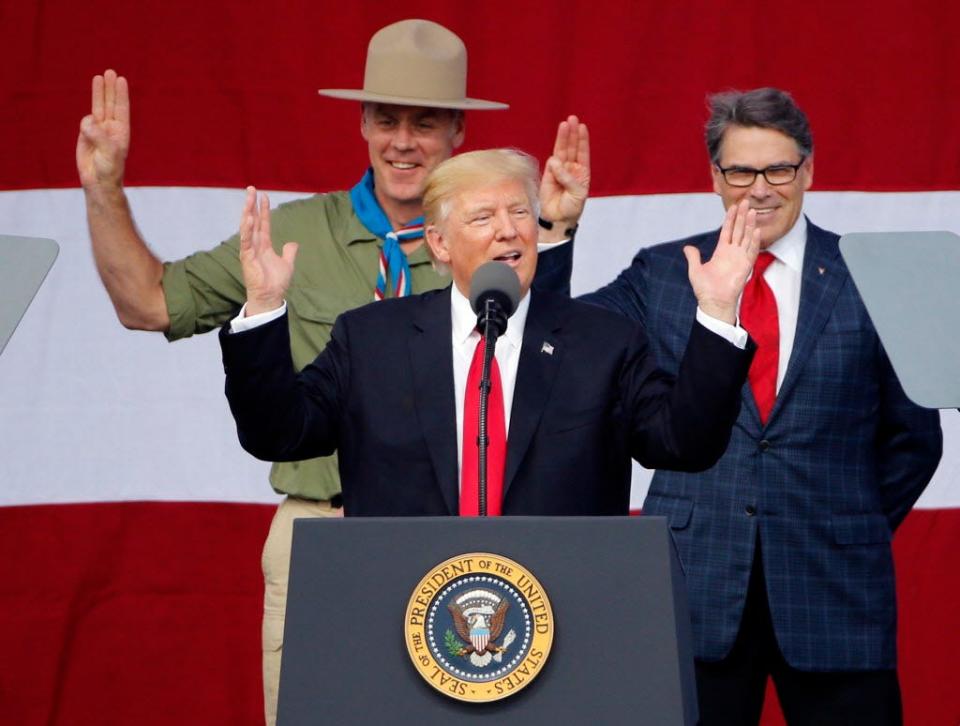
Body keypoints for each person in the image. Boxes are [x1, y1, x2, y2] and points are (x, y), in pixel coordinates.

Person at [75, 20, 588, 725]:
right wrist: (105, 188)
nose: (403, 141)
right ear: (363, 122)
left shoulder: (494, 235)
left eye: (425, 122)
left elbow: (546, 368)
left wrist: (555, 236)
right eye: (386, 119)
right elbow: (148, 303)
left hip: (465, 542)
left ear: (457, 133)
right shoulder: (294, 233)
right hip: (320, 530)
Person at [582, 88, 943, 725]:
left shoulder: (870, 272)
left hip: (835, 584)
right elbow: (567, 339)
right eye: (740, 171)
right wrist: (555, 234)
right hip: (697, 585)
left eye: (778, 169)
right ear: (714, 176)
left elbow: (915, 439)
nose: (760, 189)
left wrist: (845, 518)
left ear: (808, 170)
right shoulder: (667, 272)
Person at [220, 148, 757, 519]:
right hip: (406, 608)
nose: (509, 229)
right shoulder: (370, 340)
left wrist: (715, 313)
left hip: (561, 608)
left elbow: (685, 444)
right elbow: (278, 434)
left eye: (520, 211)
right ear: (439, 243)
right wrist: (265, 306)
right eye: (483, 217)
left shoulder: (603, 343)